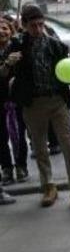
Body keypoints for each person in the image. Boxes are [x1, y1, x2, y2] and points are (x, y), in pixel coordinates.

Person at [6, 5, 70, 211]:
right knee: (39, 147)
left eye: (41, 24)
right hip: (32, 104)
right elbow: (4, 74)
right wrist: (8, 63)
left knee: (69, 146)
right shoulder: (17, 45)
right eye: (33, 25)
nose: (38, 29)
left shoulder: (55, 45)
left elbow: (68, 72)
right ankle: (48, 186)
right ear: (25, 25)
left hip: (56, 101)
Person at [0, 18, 28, 185]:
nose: (1, 31)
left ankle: (21, 165)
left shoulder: (18, 46)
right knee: (1, 136)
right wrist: (6, 64)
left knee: (19, 133)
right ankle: (6, 168)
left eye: (4, 28)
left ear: (10, 30)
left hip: (16, 98)